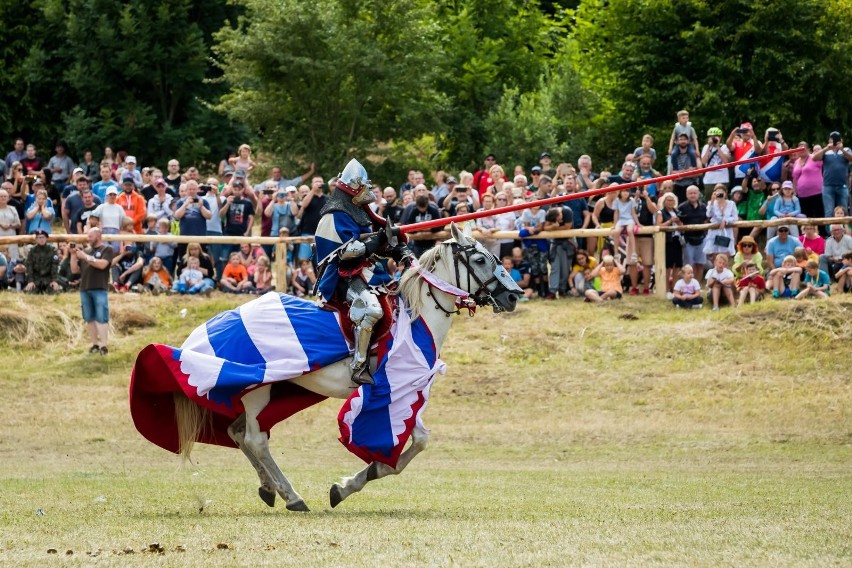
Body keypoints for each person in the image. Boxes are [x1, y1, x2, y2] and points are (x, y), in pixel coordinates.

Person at [314, 159, 408, 385]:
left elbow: (375, 240)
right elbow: (346, 252)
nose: (368, 191)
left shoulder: (360, 212)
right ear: (353, 189)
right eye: (363, 186)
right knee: (372, 310)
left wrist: (394, 246)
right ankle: (359, 365)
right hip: (342, 276)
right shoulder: (332, 215)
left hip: (367, 271)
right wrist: (377, 241)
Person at [70, 227, 114, 355]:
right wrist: (73, 255)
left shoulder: (107, 249)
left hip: (99, 287)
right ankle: (94, 344)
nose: (87, 239)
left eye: (90, 236)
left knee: (101, 317)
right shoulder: (86, 251)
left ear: (98, 236)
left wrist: (85, 256)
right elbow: (74, 270)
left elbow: (102, 265)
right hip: (85, 288)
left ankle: (104, 346)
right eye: (87, 236)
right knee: (89, 317)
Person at [817, 131, 852, 217]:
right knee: (829, 211)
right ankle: (830, 230)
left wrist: (842, 149)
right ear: (829, 140)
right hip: (828, 185)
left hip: (842, 185)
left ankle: (845, 230)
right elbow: (815, 158)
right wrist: (826, 148)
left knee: (843, 211)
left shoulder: (846, 150)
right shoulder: (826, 151)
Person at [656, 192, 683, 298]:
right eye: (668, 200)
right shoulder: (660, 212)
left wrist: (679, 222)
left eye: (672, 200)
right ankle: (666, 289)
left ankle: (675, 289)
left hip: (678, 240)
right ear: (664, 201)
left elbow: (682, 226)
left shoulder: (678, 212)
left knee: (678, 266)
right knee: (668, 266)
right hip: (668, 241)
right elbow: (659, 225)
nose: (670, 202)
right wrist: (670, 221)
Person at [296, 176, 327, 261]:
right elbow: (304, 205)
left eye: (320, 181)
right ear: (312, 185)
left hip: (323, 235)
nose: (318, 183)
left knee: (321, 262)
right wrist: (313, 190)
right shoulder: (308, 197)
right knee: (304, 261)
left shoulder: (327, 198)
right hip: (307, 233)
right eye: (316, 182)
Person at [703, 185, 738, 260]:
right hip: (714, 231)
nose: (720, 194)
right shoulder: (711, 203)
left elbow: (735, 217)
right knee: (715, 257)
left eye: (721, 192)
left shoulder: (731, 203)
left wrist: (726, 220)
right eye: (717, 192)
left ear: (725, 193)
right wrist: (712, 202)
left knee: (725, 257)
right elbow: (708, 214)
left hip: (726, 232)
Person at [23, 229, 61, 293]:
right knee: (29, 292)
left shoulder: (52, 250)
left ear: (46, 238)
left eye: (43, 237)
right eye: (39, 237)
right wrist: (30, 281)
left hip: (48, 278)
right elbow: (29, 267)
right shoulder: (32, 251)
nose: (41, 239)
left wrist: (54, 281)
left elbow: (54, 267)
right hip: (36, 279)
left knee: (56, 291)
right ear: (36, 239)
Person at [111, 220, 144, 292]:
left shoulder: (138, 252)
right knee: (115, 265)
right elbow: (111, 264)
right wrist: (123, 254)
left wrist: (125, 274)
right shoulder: (121, 253)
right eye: (127, 243)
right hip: (121, 278)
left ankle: (126, 286)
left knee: (138, 267)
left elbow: (140, 263)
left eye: (131, 243)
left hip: (131, 278)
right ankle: (115, 285)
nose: (129, 245)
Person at [701, 127, 731, 202]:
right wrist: (709, 147)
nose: (713, 138)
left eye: (715, 136)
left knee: (722, 200)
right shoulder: (706, 147)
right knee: (709, 201)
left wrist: (718, 146)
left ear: (720, 137)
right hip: (709, 180)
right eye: (711, 137)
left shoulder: (724, 147)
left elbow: (726, 161)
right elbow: (703, 162)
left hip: (722, 179)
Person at [0, 187, 22, 261]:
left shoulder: (12, 209)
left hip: (11, 237)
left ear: (8, 198)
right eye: (1, 196)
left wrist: (10, 225)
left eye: (5, 196)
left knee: (13, 259)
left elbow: (18, 224)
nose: (3, 198)